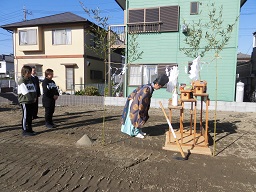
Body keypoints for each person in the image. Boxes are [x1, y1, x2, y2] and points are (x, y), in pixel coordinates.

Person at [121, 74, 169, 139]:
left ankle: (139, 130)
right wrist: (141, 109)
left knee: (141, 116)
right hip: (136, 103)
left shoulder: (149, 86)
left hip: (137, 102)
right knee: (137, 116)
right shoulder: (147, 89)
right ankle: (135, 132)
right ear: (157, 84)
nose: (160, 88)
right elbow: (141, 99)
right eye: (160, 86)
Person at [17, 65, 37, 136]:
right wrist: (31, 98)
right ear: (25, 72)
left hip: (31, 101)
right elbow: (25, 92)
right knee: (25, 116)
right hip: (25, 101)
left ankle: (30, 129)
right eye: (29, 72)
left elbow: (33, 89)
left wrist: (35, 97)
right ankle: (24, 130)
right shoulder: (22, 81)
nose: (30, 74)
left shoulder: (30, 80)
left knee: (30, 116)